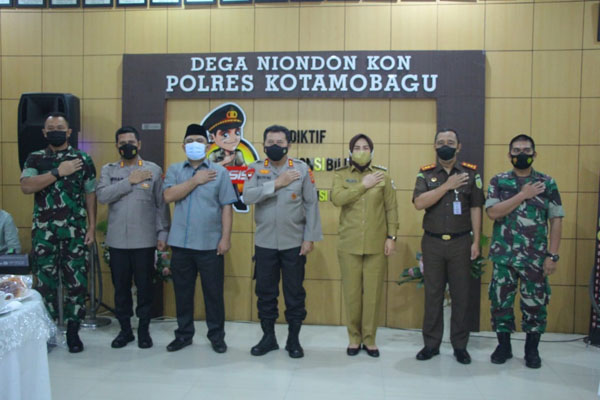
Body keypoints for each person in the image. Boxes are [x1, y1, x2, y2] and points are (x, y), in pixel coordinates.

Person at [20, 111, 97, 353]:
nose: (56, 132)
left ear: (69, 132)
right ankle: (47, 333)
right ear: (44, 133)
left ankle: (73, 332)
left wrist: (92, 226)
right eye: (51, 129)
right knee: (44, 285)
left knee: (77, 283)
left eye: (60, 128)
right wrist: (57, 172)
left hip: (75, 232)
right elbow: (26, 186)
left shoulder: (82, 159)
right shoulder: (35, 158)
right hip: (45, 233)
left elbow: (90, 193)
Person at [244, 125, 323, 359]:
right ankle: (268, 338)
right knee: (265, 293)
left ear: (288, 145)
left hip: (294, 244)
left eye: (280, 142)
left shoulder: (301, 169)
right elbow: (247, 196)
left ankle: (293, 339)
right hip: (265, 243)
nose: (275, 146)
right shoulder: (254, 169)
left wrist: (310, 237)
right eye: (270, 142)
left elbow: (311, 204)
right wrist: (277, 183)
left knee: (294, 293)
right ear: (263, 145)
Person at [485, 134, 563, 369]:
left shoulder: (547, 183)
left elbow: (556, 219)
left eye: (526, 150)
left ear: (534, 154)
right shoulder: (499, 181)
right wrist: (522, 195)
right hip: (504, 257)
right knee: (500, 303)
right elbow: (493, 213)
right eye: (516, 150)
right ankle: (504, 346)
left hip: (535, 258)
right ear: (509, 155)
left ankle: (532, 349)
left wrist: (552, 255)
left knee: (535, 304)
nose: (521, 154)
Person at [163, 123, 237, 353]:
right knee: (183, 293)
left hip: (210, 245)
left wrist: (225, 238)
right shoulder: (175, 170)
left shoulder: (220, 172)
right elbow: (168, 196)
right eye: (190, 141)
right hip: (181, 245)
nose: (194, 144)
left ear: (207, 145)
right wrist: (195, 180)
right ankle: (184, 335)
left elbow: (227, 207)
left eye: (199, 141)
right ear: (183, 146)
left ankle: (217, 336)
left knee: (213, 294)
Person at [412, 128, 484, 365]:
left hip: (460, 242)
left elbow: (476, 207)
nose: (446, 146)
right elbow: (419, 203)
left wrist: (476, 241)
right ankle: (431, 345)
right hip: (432, 243)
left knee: (461, 295)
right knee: (433, 295)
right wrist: (446, 186)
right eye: (441, 142)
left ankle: (460, 346)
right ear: (435, 146)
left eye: (450, 142)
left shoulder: (470, 174)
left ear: (458, 147)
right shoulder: (425, 174)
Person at [96, 126, 170, 349]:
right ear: (116, 146)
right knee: (121, 289)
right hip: (117, 241)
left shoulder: (153, 170)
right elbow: (102, 195)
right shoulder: (109, 170)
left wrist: (163, 233)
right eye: (122, 143)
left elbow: (161, 205)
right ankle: (125, 331)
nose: (127, 146)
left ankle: (144, 331)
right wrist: (130, 181)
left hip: (144, 241)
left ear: (139, 144)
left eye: (131, 142)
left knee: (145, 288)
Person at [331, 134, 397, 357]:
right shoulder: (341, 174)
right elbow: (337, 199)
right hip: (348, 244)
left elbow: (391, 208)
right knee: (352, 295)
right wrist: (363, 185)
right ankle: (354, 338)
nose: (361, 151)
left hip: (376, 244)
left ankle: (369, 339)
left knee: (372, 295)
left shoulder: (383, 176)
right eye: (357, 147)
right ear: (350, 152)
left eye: (365, 147)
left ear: (372, 151)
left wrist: (392, 237)